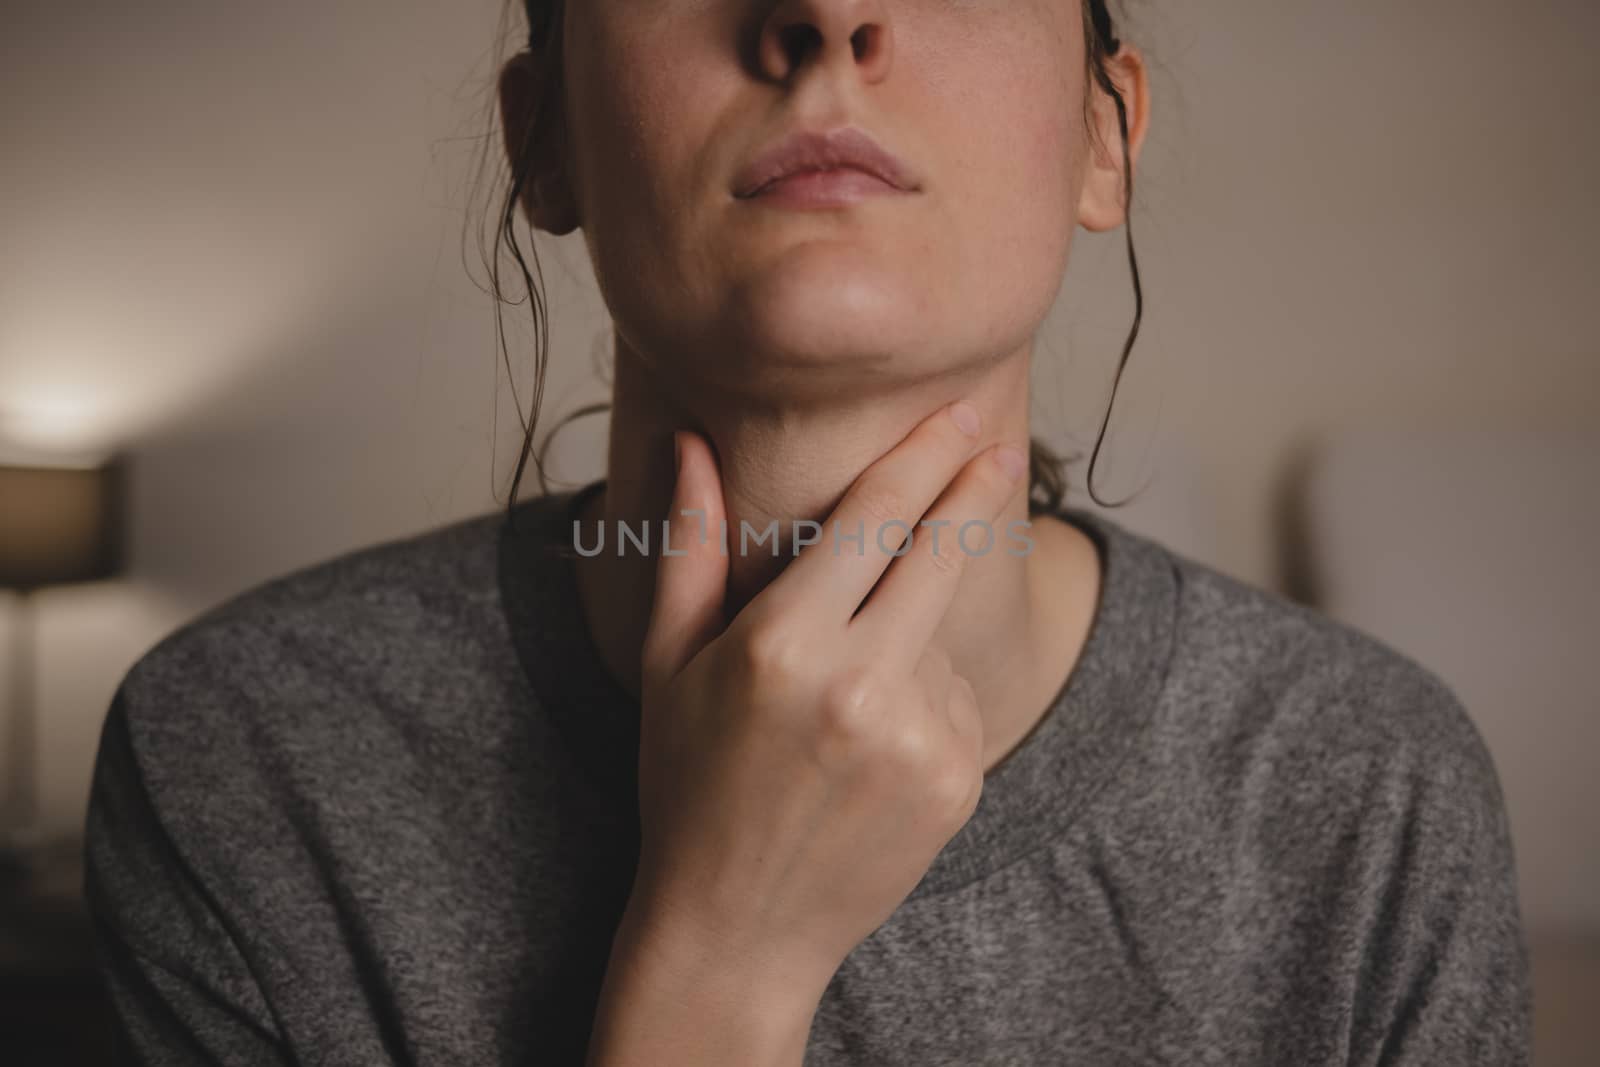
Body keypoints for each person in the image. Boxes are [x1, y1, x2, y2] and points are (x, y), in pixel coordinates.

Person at [83, 1, 1532, 1064]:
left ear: (1107, 139)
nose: (827, 18)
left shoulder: (1369, 786)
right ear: (547, 141)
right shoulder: (247, 753)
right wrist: (718, 963)